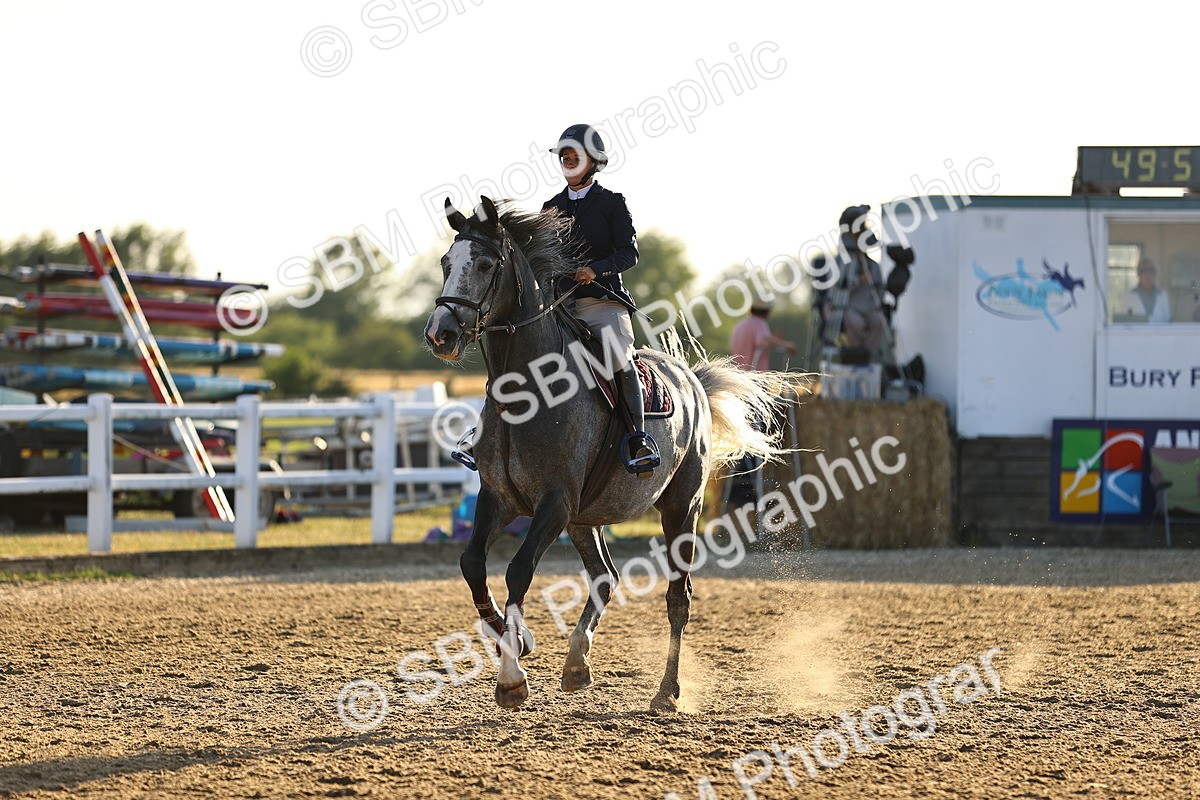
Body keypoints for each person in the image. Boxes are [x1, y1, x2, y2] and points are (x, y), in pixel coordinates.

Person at [543, 123, 660, 477]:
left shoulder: (611, 203)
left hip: (601, 303)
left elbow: (629, 253)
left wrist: (596, 269)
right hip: (561, 306)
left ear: (593, 162)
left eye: (573, 156)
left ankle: (638, 438)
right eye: (563, 157)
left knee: (620, 359)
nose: (567, 161)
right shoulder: (551, 206)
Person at [823, 205, 887, 360]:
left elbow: (879, 288)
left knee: (880, 322)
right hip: (848, 306)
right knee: (855, 323)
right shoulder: (840, 261)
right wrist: (858, 280)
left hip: (868, 307)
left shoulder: (871, 264)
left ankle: (866, 354)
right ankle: (853, 355)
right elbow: (838, 287)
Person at [730, 295, 797, 372]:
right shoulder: (759, 323)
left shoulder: (740, 325)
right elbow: (764, 340)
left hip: (738, 377)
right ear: (766, 311)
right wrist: (786, 345)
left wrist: (775, 340)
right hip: (755, 378)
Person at [1122, 257, 1171, 322]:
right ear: (1138, 275)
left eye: (1150, 271)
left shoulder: (1162, 295)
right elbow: (1122, 322)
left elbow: (1168, 320)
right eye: (1143, 271)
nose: (1147, 275)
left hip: (1159, 332)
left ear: (1155, 274)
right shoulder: (1129, 296)